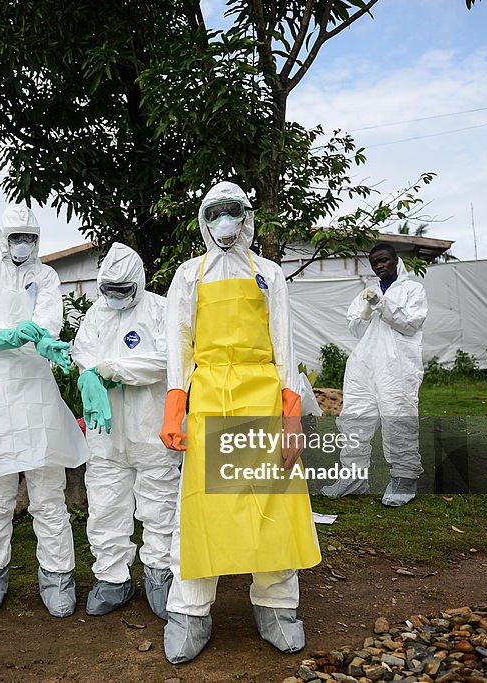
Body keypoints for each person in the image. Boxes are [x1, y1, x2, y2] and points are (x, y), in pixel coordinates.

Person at [159, 181, 322, 664]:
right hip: (208, 394)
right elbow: (178, 345)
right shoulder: (189, 276)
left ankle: (276, 605)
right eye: (216, 213)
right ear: (204, 219)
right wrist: (175, 407)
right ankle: (189, 611)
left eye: (233, 212)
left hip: (263, 395)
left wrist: (292, 417)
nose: (225, 222)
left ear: (247, 217)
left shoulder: (269, 274)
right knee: (201, 506)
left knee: (272, 504)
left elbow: (286, 346)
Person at [0, 204, 89, 619]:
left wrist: (42, 338)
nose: (23, 245)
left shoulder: (47, 275)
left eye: (30, 239)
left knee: (48, 493)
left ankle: (57, 576)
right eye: (17, 237)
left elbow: (49, 320)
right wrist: (6, 335)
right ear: (4, 238)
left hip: (36, 389)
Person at [70, 243, 180, 619]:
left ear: (138, 281)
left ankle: (159, 573)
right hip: (106, 433)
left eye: (122, 290)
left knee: (159, 504)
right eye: (109, 290)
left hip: (151, 428)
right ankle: (112, 578)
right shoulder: (96, 313)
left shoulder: (162, 309)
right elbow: (82, 351)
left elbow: (168, 360)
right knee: (105, 505)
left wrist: (113, 370)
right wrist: (89, 373)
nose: (115, 297)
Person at [321, 243, 428, 507]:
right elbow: (356, 330)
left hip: (397, 367)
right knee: (355, 420)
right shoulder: (365, 293)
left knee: (398, 419)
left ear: (395, 260)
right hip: (364, 366)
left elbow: (411, 323)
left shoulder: (413, 290)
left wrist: (383, 305)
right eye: (375, 263)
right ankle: (353, 478)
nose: (380, 266)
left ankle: (404, 481)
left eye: (384, 260)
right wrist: (367, 310)